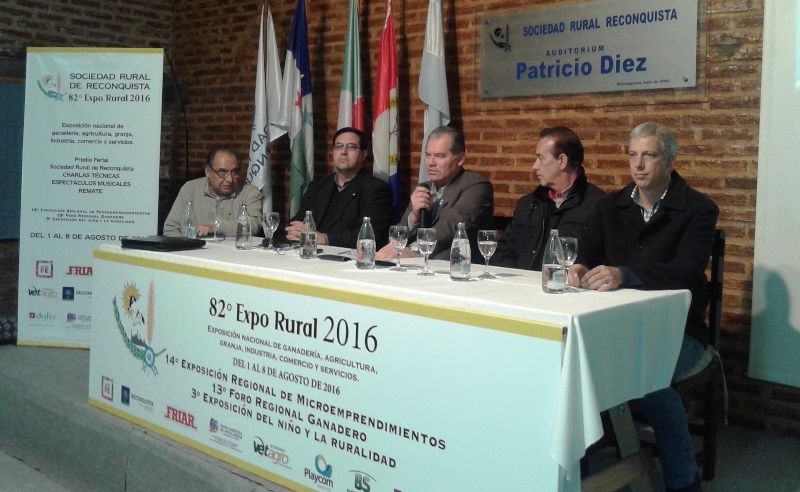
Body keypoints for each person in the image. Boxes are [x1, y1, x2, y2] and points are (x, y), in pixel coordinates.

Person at [568, 122, 719, 492]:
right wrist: (579, 267)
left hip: (680, 332)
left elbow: (687, 271)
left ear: (669, 161)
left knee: (648, 380)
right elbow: (587, 254)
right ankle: (574, 468)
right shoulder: (610, 206)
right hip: (616, 328)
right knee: (570, 365)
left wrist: (626, 275)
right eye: (633, 155)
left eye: (648, 155)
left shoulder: (698, 209)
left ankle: (683, 481)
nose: (638, 164)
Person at [492, 126, 604, 270]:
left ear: (562, 161)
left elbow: (601, 262)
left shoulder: (598, 206)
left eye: (541, 158)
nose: (535, 166)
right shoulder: (528, 204)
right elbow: (503, 250)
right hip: (521, 282)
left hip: (566, 284)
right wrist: (516, 280)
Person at [376, 126, 494, 261]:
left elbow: (451, 227)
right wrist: (414, 217)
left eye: (439, 156)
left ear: (460, 159)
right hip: (420, 267)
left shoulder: (476, 185)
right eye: (428, 155)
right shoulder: (422, 188)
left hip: (460, 265)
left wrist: (414, 250)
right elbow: (396, 238)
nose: (431, 163)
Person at [285, 127, 392, 248]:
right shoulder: (318, 185)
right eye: (339, 146)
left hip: (349, 256)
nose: (343, 152)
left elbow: (371, 235)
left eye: (351, 147)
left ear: (363, 155)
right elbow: (299, 220)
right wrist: (294, 231)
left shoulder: (376, 189)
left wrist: (323, 238)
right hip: (310, 251)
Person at [163, 147, 262, 237]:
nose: (229, 179)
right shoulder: (190, 189)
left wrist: (217, 227)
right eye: (222, 172)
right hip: (194, 249)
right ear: (207, 171)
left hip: (232, 250)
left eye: (234, 172)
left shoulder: (250, 193)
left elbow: (253, 226)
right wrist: (186, 247)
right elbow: (171, 228)